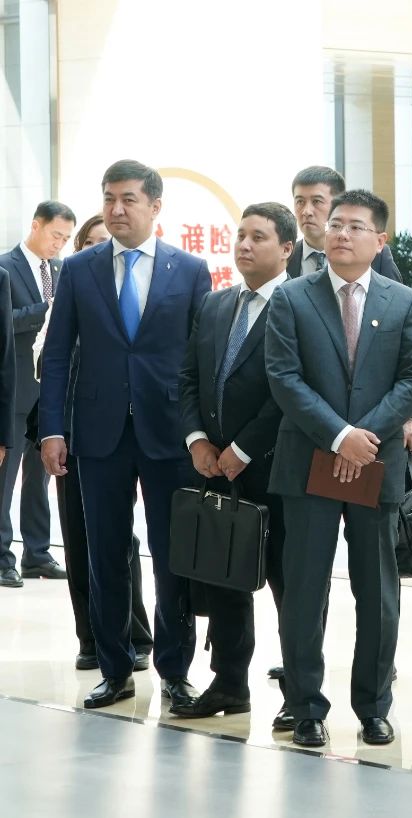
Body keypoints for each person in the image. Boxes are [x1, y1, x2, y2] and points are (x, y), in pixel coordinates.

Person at [40, 159, 211, 710]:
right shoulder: (79, 269)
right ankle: (115, 670)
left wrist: (203, 433)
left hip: (171, 434)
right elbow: (58, 355)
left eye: (128, 199)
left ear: (155, 206)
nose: (115, 209)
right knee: (105, 555)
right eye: (108, 198)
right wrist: (51, 429)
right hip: (98, 436)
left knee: (174, 558)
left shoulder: (190, 271)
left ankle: (175, 672)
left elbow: (202, 361)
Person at [265, 189, 412, 748]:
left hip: (375, 463)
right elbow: (284, 378)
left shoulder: (404, 301)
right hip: (309, 460)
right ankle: (305, 707)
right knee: (304, 590)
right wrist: (339, 436)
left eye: (356, 226)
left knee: (377, 592)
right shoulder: (292, 297)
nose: (341, 233)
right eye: (336, 224)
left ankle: (374, 706)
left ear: (380, 240)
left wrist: (364, 438)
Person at [171, 203, 295, 725]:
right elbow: (189, 378)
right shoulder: (217, 303)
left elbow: (288, 392)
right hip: (215, 466)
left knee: (290, 585)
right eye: (240, 235)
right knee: (223, 575)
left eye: (258, 237)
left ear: (286, 249)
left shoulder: (300, 305)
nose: (244, 245)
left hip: (276, 468)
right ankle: (228, 684)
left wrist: (242, 450)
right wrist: (198, 440)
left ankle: (299, 693)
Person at [29, 215, 153, 665]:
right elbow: (47, 360)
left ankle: (136, 635)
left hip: (136, 430)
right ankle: (92, 638)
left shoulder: (143, 292)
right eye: (94, 244)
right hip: (76, 432)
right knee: (81, 539)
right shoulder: (72, 293)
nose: (106, 250)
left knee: (123, 542)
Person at [0, 202, 74, 586]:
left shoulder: (61, 270)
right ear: (35, 226)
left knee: (39, 478)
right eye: (55, 235)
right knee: (5, 479)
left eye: (65, 238)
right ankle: (2, 557)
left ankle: (38, 554)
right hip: (15, 391)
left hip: (49, 393)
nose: (59, 244)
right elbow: (4, 322)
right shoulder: (5, 266)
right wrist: (43, 310)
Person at [286, 166, 402, 281]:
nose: (306, 211)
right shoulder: (285, 254)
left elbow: (393, 292)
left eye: (316, 201)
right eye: (300, 202)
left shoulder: (375, 254)